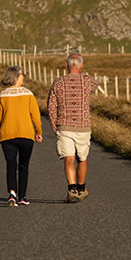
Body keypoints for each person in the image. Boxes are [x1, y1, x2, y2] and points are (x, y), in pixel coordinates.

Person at [47, 52, 100, 203]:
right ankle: (82, 189)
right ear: (81, 66)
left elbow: (51, 106)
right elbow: (96, 84)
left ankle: (71, 189)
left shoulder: (58, 82)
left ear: (67, 65)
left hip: (64, 126)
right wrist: (85, 74)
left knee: (68, 158)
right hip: (83, 126)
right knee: (82, 158)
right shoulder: (87, 81)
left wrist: (54, 124)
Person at [0, 65, 43, 207]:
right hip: (26, 134)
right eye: (21, 75)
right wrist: (38, 132)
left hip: (7, 136)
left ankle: (12, 193)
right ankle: (22, 197)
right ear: (15, 76)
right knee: (23, 166)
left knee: (10, 164)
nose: (23, 77)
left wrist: (0, 134)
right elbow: (36, 116)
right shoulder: (28, 94)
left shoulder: (2, 95)